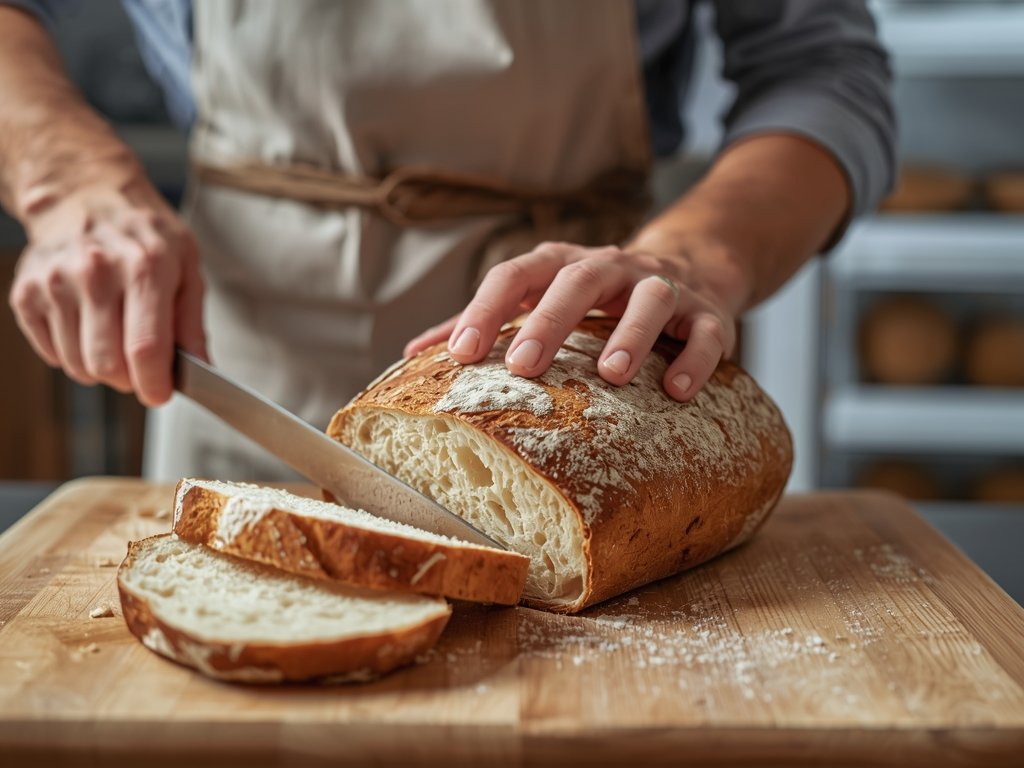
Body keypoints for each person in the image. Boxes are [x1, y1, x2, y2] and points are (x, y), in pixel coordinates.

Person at [0, 0, 895, 481]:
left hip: (586, 354)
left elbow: (820, 66)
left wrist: (696, 258)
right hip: (240, 358)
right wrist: (63, 176)